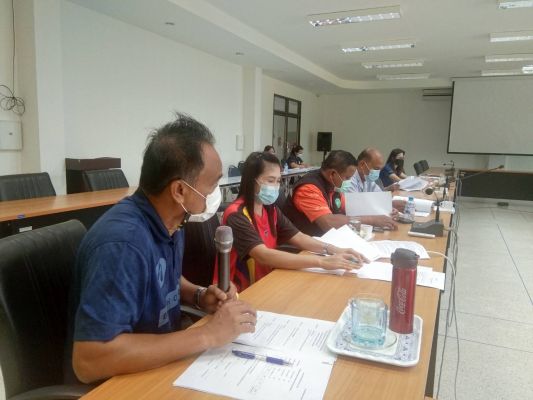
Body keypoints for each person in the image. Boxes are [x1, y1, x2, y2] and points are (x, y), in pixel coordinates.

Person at [67, 114, 257, 384]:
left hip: (159, 362)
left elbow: (160, 276)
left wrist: (198, 295)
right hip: (120, 382)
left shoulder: (171, 221)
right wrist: (208, 334)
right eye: (213, 185)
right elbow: (89, 360)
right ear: (179, 191)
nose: (215, 194)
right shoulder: (122, 245)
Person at [217, 152, 367, 291]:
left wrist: (336, 250)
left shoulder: (270, 209)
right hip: (241, 290)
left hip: (267, 279)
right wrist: (322, 262)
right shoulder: (236, 215)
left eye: (278, 181)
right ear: (252, 181)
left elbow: (299, 237)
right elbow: (263, 255)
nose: (275, 186)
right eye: (270, 180)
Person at [283, 150, 397, 236]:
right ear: (332, 174)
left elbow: (349, 208)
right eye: (347, 178)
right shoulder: (308, 188)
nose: (349, 182)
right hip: (301, 249)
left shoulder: (333, 185)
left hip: (323, 241)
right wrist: (372, 220)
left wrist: (383, 211)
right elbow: (329, 223)